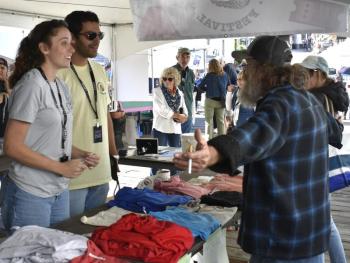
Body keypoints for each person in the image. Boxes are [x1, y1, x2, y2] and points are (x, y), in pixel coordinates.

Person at [174, 35, 341, 262]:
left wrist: (212, 153)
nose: (244, 72)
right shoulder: (309, 100)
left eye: (248, 65)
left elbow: (250, 137)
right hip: (309, 235)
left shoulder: (279, 104)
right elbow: (335, 132)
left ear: (263, 70)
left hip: (282, 240)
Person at [1, 20, 99, 231]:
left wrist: (80, 154)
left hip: (58, 190)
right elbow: (12, 146)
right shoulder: (31, 85)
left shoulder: (59, 85)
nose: (71, 48)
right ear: (44, 48)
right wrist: (61, 167)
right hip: (29, 191)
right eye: (64, 43)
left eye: (72, 43)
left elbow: (53, 141)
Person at [57, 11, 118, 217]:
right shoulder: (58, 73)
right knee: (68, 239)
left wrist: (113, 153)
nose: (97, 41)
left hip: (101, 174)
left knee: (92, 236)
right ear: (72, 37)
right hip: (71, 175)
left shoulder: (99, 70)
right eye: (91, 36)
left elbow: (105, 115)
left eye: (100, 35)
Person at [300, 55, 348, 263]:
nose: (302, 79)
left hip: (315, 165)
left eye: (306, 74)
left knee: (319, 225)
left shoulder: (317, 98)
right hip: (320, 163)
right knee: (325, 222)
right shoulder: (331, 95)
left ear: (317, 74)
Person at [152, 67, 187, 147]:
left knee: (175, 154)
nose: (167, 81)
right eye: (164, 79)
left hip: (175, 128)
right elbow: (161, 110)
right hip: (160, 127)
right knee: (159, 155)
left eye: (170, 79)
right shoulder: (157, 91)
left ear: (175, 80)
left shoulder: (180, 93)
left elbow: (184, 109)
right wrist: (177, 115)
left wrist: (184, 117)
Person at [198, 59, 229, 139]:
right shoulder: (225, 75)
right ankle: (222, 141)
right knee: (221, 121)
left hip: (210, 101)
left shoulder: (209, 75)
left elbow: (200, 86)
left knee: (209, 122)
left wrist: (207, 89)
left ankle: (210, 141)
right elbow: (227, 86)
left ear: (210, 66)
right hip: (221, 101)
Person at [173, 47, 195, 133]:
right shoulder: (171, 71)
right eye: (182, 56)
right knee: (175, 141)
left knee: (186, 139)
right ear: (177, 57)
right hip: (175, 110)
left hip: (188, 111)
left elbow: (191, 93)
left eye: (187, 57)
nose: (185, 59)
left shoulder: (191, 73)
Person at [0, 58, 10, 137]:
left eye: (2, 68)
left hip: (5, 135)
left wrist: (6, 82)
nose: (0, 70)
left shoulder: (10, 85)